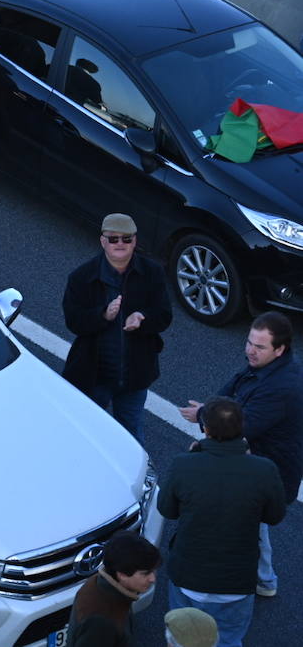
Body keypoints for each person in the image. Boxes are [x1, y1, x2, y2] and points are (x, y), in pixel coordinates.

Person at [178, 311, 302, 600]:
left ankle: (261, 579)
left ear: (279, 349)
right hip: (254, 465)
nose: (250, 351)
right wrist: (210, 409)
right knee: (252, 526)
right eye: (249, 342)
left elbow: (243, 425)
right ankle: (264, 578)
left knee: (249, 525)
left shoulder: (281, 387)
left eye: (259, 347)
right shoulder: (264, 367)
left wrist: (203, 416)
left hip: (264, 473)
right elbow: (228, 394)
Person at [158, 397, 286, 647]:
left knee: (183, 639)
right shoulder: (264, 470)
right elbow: (274, 516)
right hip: (236, 581)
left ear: (206, 429)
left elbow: (167, 510)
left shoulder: (184, 465)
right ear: (242, 428)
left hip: (189, 575)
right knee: (228, 639)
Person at [61, 213, 173, 442]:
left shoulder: (152, 273)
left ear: (135, 241)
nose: (120, 244)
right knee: (87, 433)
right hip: (94, 376)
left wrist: (143, 318)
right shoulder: (81, 278)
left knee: (131, 435)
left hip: (135, 376)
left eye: (126, 239)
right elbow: (74, 321)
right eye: (113, 239)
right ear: (103, 241)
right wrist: (103, 315)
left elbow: (163, 315)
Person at [63, 532, 160, 647]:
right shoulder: (101, 623)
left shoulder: (100, 583)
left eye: (153, 571)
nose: (153, 579)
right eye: (146, 573)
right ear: (122, 574)